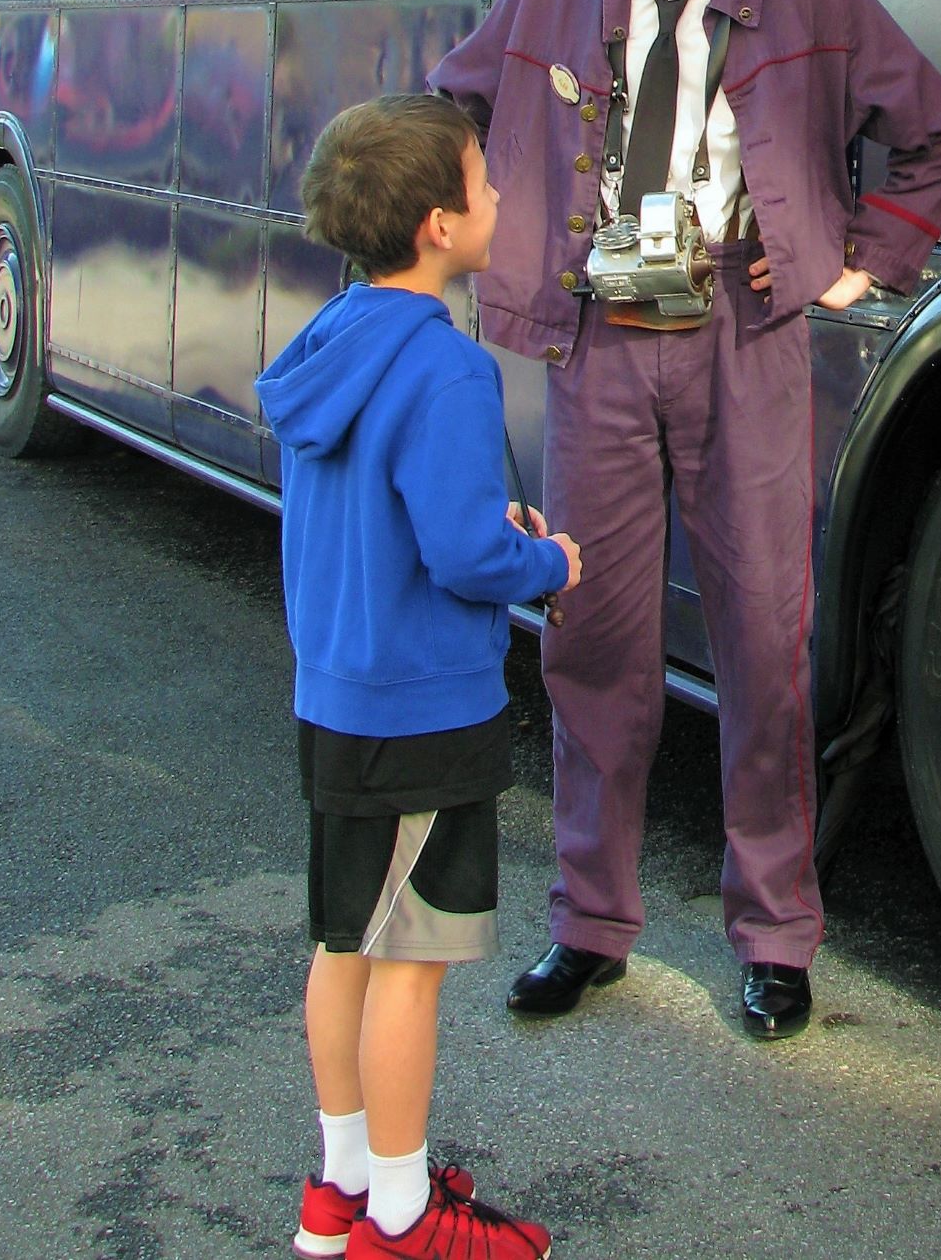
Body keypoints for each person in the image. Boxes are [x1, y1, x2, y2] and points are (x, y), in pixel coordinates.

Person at [430, 0, 941, 1041]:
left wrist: (860, 264)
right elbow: (451, 105)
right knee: (593, 639)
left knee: (762, 643)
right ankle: (588, 925)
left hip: (746, 329)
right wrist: (469, 249)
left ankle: (776, 935)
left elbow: (934, 129)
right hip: (602, 334)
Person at [256, 93, 582, 1260]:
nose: (499, 197)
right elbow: (462, 556)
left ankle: (343, 1185)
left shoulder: (328, 340)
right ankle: (402, 1215)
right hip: (425, 705)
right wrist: (545, 557)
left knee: (343, 942)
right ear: (441, 225)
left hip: (338, 692)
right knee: (413, 963)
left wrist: (483, 528)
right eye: (485, 182)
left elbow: (394, 518)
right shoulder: (447, 369)